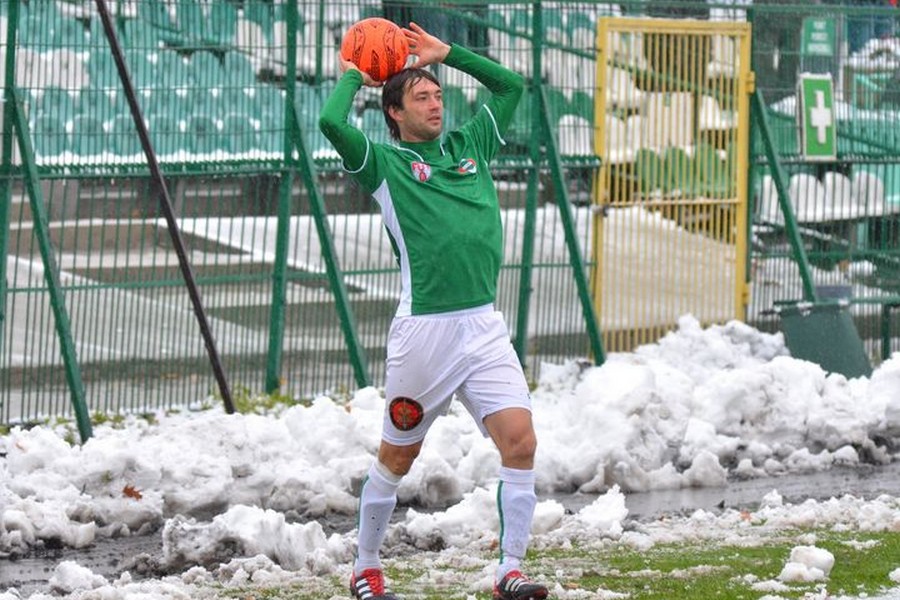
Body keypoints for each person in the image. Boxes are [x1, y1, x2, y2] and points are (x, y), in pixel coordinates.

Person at [319, 21, 548, 600]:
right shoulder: (384, 166)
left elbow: (511, 88)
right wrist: (356, 73)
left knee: (520, 441)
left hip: (483, 325)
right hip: (425, 334)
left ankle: (509, 571)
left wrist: (451, 56)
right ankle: (365, 568)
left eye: (438, 94)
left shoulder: (470, 147)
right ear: (394, 113)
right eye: (421, 97)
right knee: (399, 455)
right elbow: (329, 122)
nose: (435, 103)